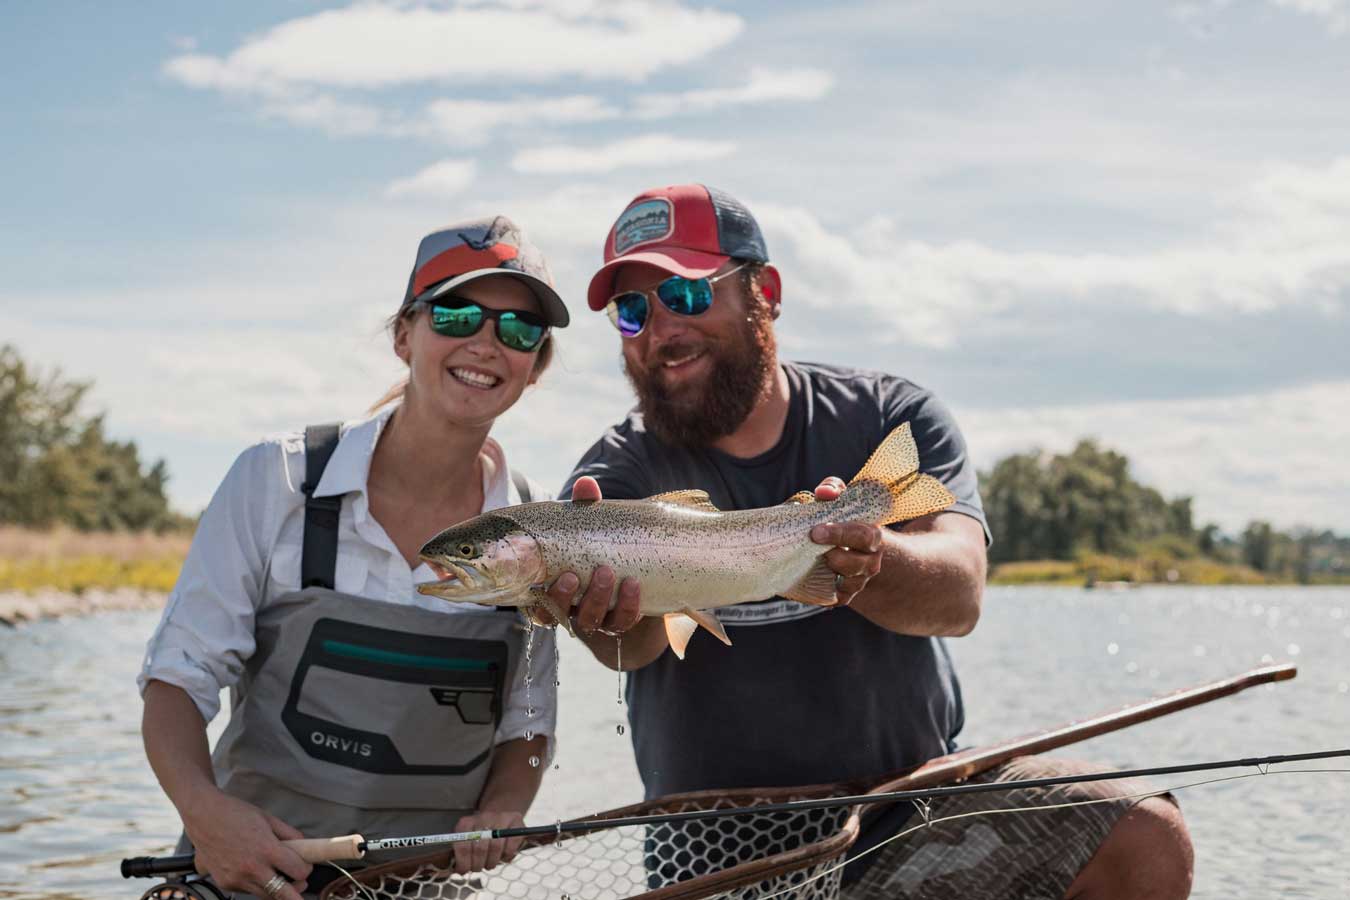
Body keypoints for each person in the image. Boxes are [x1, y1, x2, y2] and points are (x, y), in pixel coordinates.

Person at [550, 185, 1195, 899]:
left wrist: (873, 559)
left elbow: (961, 596)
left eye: (687, 296)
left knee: (1142, 834)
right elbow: (634, 649)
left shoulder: (891, 414)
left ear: (763, 291)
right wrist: (599, 620)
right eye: (632, 313)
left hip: (911, 812)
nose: (660, 330)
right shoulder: (610, 480)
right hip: (713, 852)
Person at [138, 217, 583, 900]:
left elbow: (527, 725)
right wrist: (206, 816)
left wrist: (505, 809)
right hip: (247, 877)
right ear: (405, 335)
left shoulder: (537, 529)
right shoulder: (276, 481)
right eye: (458, 313)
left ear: (534, 367)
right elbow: (177, 681)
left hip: (425, 887)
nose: (487, 343)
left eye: (519, 330)